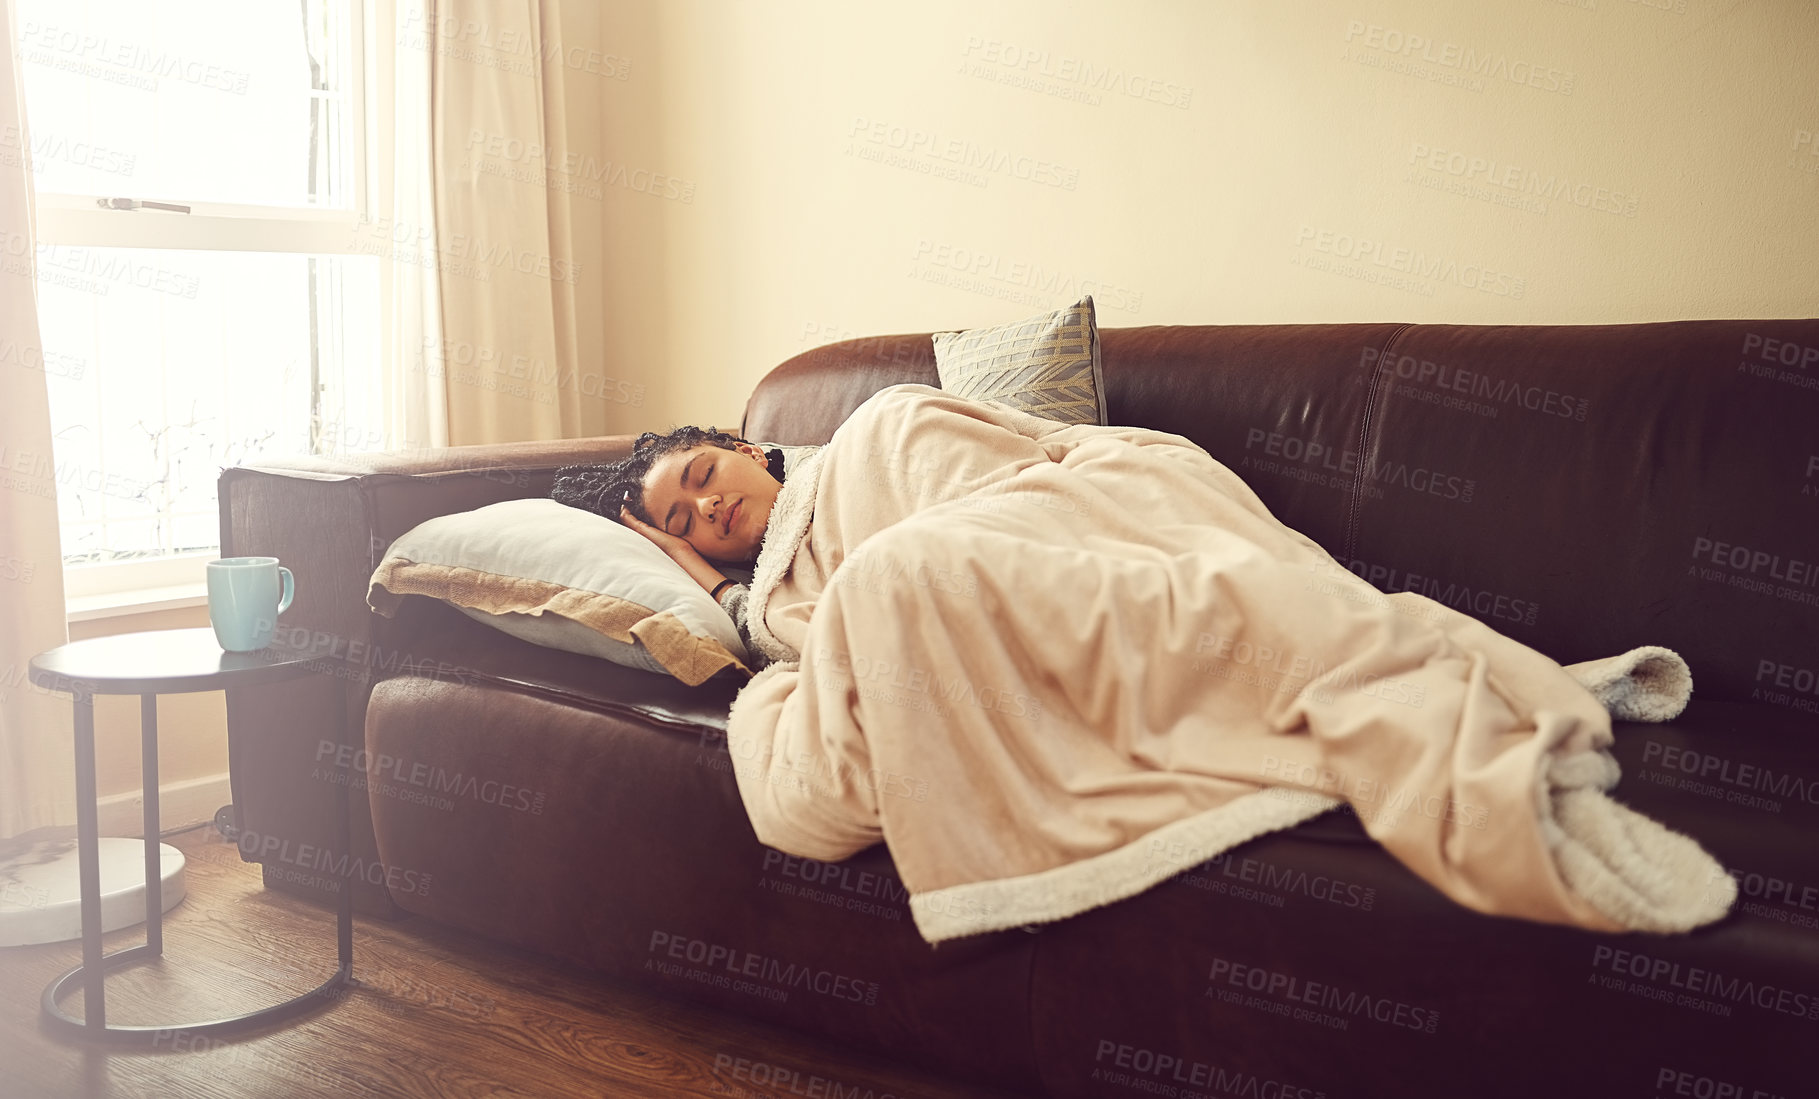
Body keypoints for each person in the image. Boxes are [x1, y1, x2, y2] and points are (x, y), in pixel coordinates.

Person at [550, 427, 795, 667]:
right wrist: (681, 555)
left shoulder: (827, 470)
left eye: (706, 474)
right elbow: (778, 644)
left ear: (750, 452)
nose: (706, 506)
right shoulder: (763, 586)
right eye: (684, 523)